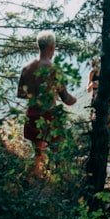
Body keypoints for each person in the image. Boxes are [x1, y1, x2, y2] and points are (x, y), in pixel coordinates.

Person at [17, 30, 76, 176]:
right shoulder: (54, 69)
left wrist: (36, 94)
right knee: (58, 151)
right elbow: (66, 99)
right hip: (49, 115)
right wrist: (75, 100)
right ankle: (61, 181)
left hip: (31, 114)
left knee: (38, 153)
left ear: (39, 47)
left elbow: (21, 94)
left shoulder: (27, 68)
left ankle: (33, 181)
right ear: (52, 47)